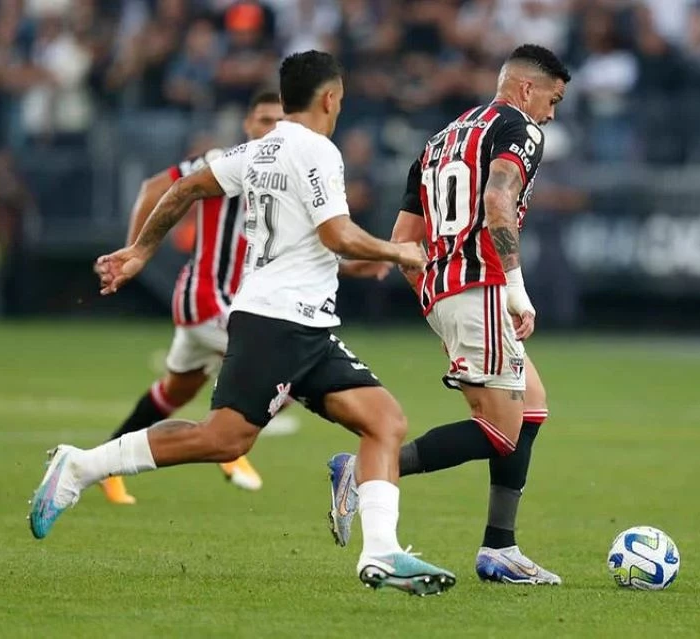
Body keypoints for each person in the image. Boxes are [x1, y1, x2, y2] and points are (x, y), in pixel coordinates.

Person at [28, 51, 457, 596]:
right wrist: (401, 254)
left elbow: (184, 189)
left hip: (303, 323)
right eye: (341, 99)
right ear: (330, 98)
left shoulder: (259, 149)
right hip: (277, 322)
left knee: (385, 422)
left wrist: (140, 250)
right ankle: (81, 466)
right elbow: (337, 235)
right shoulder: (319, 151)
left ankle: (381, 554)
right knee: (224, 440)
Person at [326, 44, 569, 585]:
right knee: (502, 432)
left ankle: (499, 549)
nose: (551, 113)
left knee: (531, 406)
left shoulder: (439, 140)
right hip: (482, 286)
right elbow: (498, 202)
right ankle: (363, 471)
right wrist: (514, 287)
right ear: (527, 89)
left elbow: (402, 242)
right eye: (552, 99)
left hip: (447, 292)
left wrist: (438, 308)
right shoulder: (521, 130)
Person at [96, 92, 390, 505]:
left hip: (236, 303)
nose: (269, 127)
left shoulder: (285, 166)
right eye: (262, 119)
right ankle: (232, 439)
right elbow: (157, 188)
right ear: (247, 124)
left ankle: (107, 465)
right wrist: (136, 250)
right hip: (210, 298)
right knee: (286, 367)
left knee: (174, 392)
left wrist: (357, 262)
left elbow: (305, 251)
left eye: (277, 120)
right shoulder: (226, 159)